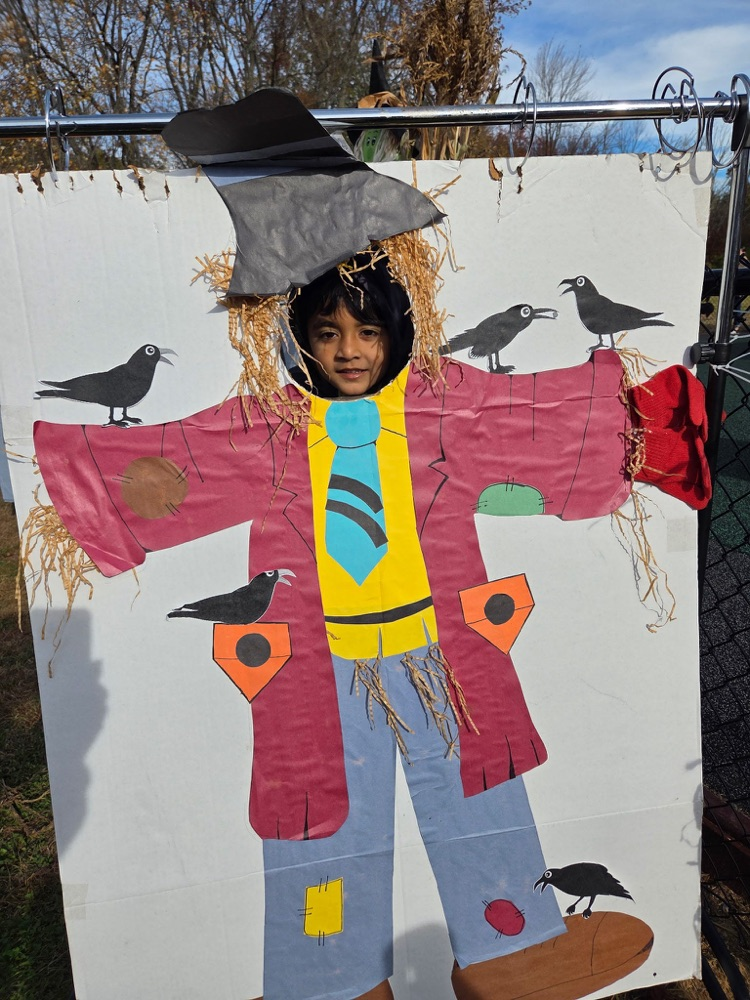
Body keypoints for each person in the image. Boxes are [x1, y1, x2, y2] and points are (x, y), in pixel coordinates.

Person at [33, 251, 708, 1000]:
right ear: (300, 339)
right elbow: (183, 465)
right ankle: (330, 975)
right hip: (321, 666)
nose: (349, 350)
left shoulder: (441, 405)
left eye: (368, 331)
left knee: (478, 789)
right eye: (327, 332)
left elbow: (529, 425)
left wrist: (642, 428)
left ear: (398, 335)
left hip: (436, 650)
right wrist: (87, 481)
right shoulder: (270, 425)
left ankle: (507, 945)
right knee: (323, 812)